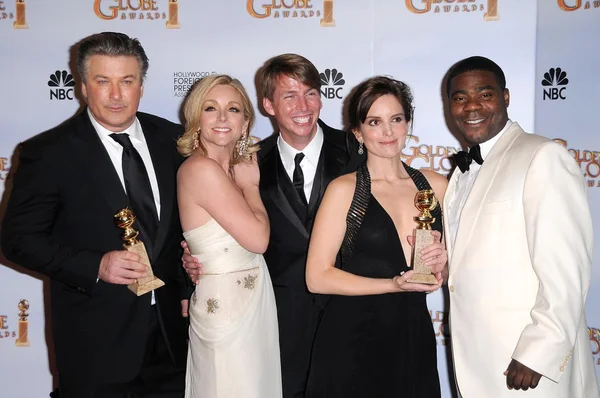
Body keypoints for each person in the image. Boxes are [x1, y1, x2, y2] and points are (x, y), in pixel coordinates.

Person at [1, 32, 191, 398]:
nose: (116, 95)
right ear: (84, 87)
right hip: (95, 344)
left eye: (127, 81)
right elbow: (17, 241)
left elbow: (180, 229)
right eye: (103, 82)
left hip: (173, 340)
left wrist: (188, 278)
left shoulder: (173, 140)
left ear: (141, 86)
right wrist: (95, 265)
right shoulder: (48, 152)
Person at [183, 53, 365, 398]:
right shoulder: (246, 163)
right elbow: (215, 230)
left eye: (310, 93)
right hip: (275, 321)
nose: (302, 105)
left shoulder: (357, 152)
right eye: (289, 96)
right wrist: (191, 260)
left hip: (349, 313)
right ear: (268, 104)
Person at [443, 56, 600, 397]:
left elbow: (566, 268)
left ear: (506, 97)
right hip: (477, 359)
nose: (471, 106)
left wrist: (539, 352)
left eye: (484, 94)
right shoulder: (459, 175)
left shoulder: (542, 156)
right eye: (459, 97)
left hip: (527, 363)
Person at [303, 76, 447, 397]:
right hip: (353, 337)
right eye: (374, 122)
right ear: (357, 132)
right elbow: (317, 277)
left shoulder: (436, 186)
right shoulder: (344, 190)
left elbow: (454, 267)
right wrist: (391, 285)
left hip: (411, 334)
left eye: (396, 119)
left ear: (408, 123)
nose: (387, 132)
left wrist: (444, 262)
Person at [176, 74, 282, 398]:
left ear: (245, 121)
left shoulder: (230, 169)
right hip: (226, 312)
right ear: (196, 118)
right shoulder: (201, 170)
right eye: (211, 108)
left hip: (250, 303)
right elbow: (258, 239)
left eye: (233, 109)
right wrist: (251, 187)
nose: (222, 118)